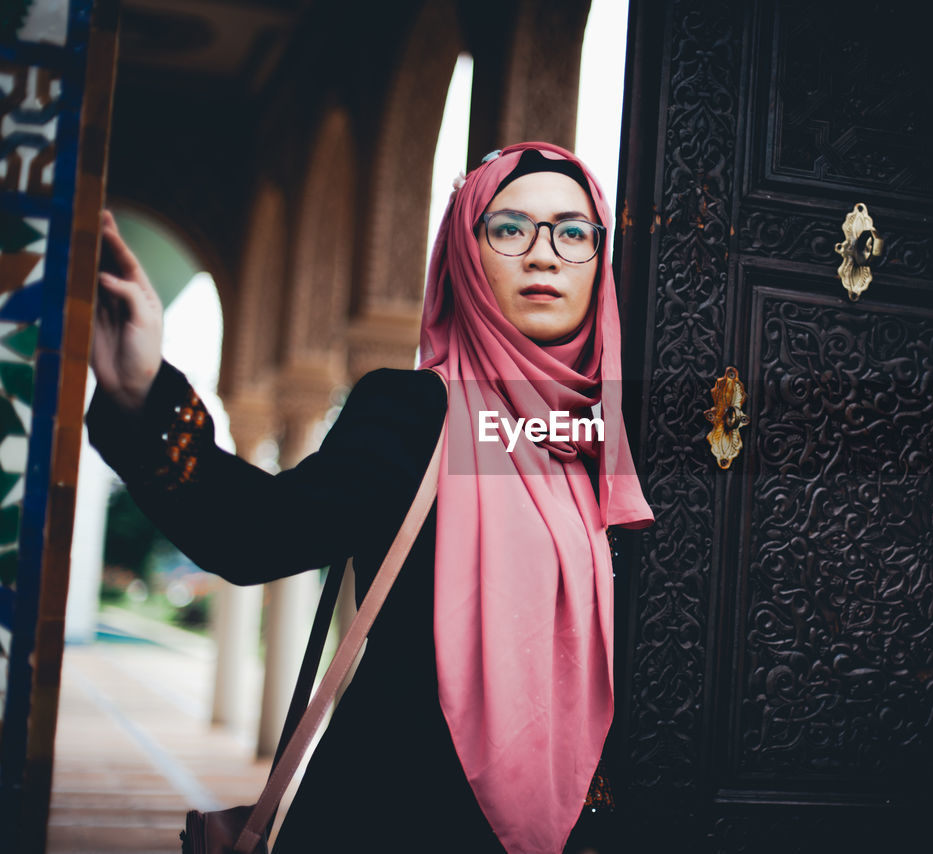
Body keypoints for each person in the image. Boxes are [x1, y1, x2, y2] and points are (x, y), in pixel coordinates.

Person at [87, 141, 654, 853]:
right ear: (466, 254)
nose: (545, 254)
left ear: (601, 260)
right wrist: (144, 396)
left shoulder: (617, 449)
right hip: (395, 813)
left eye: (573, 232)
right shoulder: (414, 412)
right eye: (510, 227)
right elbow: (253, 534)